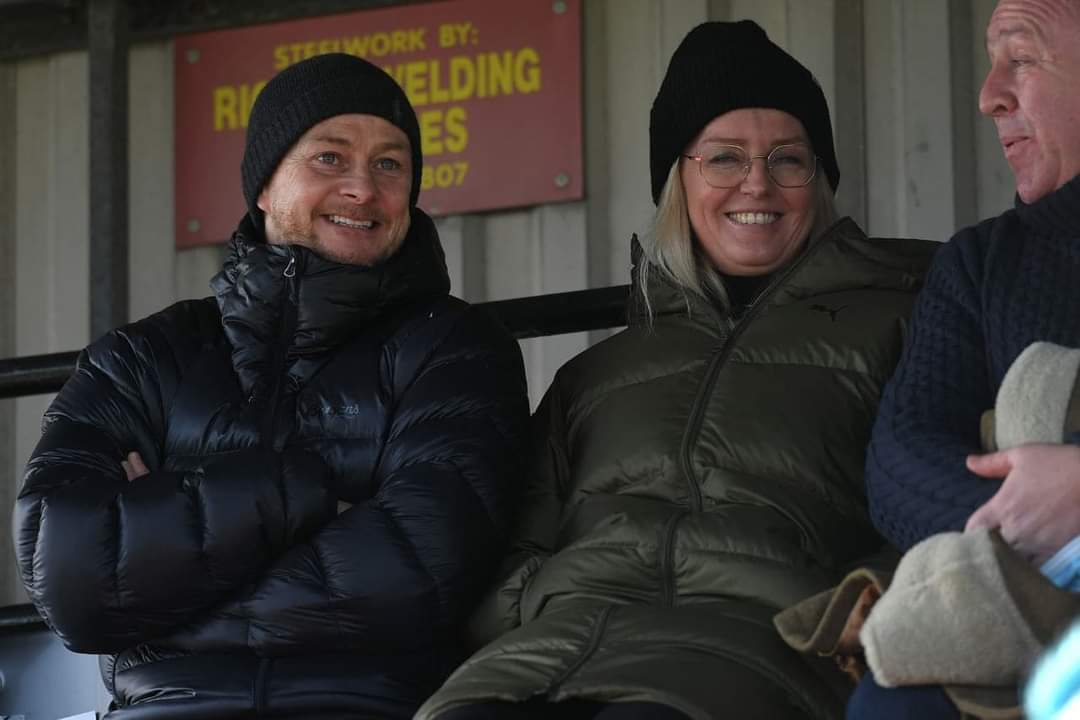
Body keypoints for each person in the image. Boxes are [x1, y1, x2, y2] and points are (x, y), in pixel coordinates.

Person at [415, 20, 937, 720]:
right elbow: (514, 543)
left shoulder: (905, 325)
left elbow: (941, 509)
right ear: (678, 181)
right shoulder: (596, 374)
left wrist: (858, 603)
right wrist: (537, 600)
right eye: (724, 157)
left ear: (819, 180)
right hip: (549, 650)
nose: (759, 182)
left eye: (789, 158)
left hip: (750, 648)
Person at [12, 53, 529, 719]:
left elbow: (417, 576)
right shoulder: (143, 356)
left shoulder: (455, 347)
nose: (362, 188)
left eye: (390, 165)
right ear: (262, 185)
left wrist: (163, 553)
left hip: (365, 706)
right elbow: (72, 578)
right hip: (165, 707)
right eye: (329, 158)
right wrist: (311, 495)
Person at [858, 0, 1080, 716]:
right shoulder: (983, 262)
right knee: (895, 704)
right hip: (1018, 598)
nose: (989, 96)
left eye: (1021, 57)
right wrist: (1029, 518)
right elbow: (900, 459)